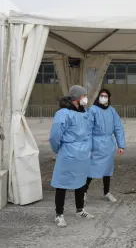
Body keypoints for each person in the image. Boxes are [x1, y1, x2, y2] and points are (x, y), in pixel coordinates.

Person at [49, 85, 94, 228]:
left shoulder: (84, 112)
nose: (85, 98)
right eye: (83, 95)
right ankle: (59, 215)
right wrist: (58, 150)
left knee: (80, 182)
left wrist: (89, 149)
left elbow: (88, 133)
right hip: (68, 152)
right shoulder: (63, 113)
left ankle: (80, 210)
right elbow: (55, 136)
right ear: (76, 97)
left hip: (82, 153)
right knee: (61, 183)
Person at [84, 89, 125, 203]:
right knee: (91, 169)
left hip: (108, 144)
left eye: (105, 96)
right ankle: (84, 191)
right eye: (101, 95)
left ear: (109, 98)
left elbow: (118, 128)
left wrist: (121, 145)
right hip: (95, 143)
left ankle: (106, 192)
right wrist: (89, 147)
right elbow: (88, 130)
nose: (103, 97)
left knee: (107, 170)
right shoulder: (92, 110)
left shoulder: (112, 111)